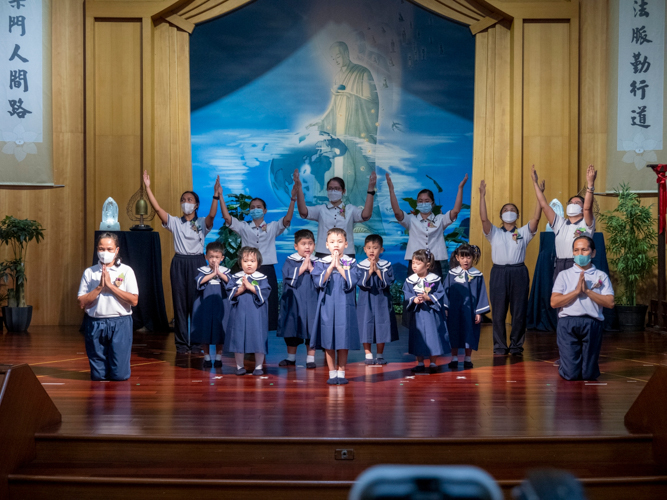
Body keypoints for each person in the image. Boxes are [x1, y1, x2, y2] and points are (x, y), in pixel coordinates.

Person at [143, 170, 221, 353]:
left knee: (196, 303)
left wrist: (216, 196)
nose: (186, 202)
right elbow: (157, 209)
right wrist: (148, 188)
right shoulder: (175, 222)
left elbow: (212, 216)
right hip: (179, 262)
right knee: (179, 304)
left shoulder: (202, 223)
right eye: (183, 200)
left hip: (197, 263)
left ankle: (195, 343)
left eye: (190, 200)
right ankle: (181, 344)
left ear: (196, 205)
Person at [308, 41, 379, 209]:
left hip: (355, 131)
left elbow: (371, 102)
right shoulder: (338, 76)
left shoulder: (362, 73)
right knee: (338, 165)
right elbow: (334, 107)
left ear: (346, 54)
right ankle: (339, 207)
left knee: (358, 169)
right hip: (340, 131)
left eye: (338, 56)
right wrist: (322, 121)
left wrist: (348, 96)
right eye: (333, 58)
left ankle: (360, 210)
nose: (337, 61)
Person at [479, 176, 543, 355]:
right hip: (499, 272)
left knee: (519, 311)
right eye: (506, 210)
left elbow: (536, 218)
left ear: (517, 215)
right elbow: (483, 219)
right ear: (500, 216)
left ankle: (516, 345)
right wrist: (482, 196)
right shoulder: (494, 233)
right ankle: (499, 345)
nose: (509, 212)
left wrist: (540, 195)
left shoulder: (523, 232)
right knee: (498, 312)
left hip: (519, 272)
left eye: (512, 210)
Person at [219, 186, 296, 331]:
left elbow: (287, 220)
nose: (255, 209)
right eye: (252, 207)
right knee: (248, 304)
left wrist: (292, 199)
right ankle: (249, 338)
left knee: (268, 306)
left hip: (267, 270)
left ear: (265, 210)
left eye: (259, 207)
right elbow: (227, 218)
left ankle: (262, 344)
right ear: (249, 211)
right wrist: (220, 196)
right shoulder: (244, 227)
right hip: (248, 272)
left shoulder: (273, 227)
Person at [550, 236, 614, 380]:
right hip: (568, 323)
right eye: (576, 250)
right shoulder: (564, 275)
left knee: (588, 375)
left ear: (593, 253)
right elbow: (554, 302)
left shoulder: (600, 276)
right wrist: (576, 292)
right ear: (572, 253)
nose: (580, 254)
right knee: (571, 374)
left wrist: (588, 292)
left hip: (591, 323)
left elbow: (610, 303)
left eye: (584, 250)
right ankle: (566, 365)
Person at [77, 233, 139, 381]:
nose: (105, 252)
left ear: (117, 250)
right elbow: (81, 302)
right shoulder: (89, 272)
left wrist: (111, 286)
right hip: (95, 323)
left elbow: (134, 300)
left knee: (119, 375)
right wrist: (99, 287)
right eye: (101, 248)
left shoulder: (126, 271)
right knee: (98, 375)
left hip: (120, 322)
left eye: (109, 249)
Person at [386, 172, 468, 277]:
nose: (423, 203)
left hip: (434, 264)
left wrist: (460, 188)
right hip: (415, 264)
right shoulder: (411, 220)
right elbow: (397, 212)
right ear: (417, 204)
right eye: (420, 201)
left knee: (434, 292)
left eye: (426, 201)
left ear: (432, 203)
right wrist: (391, 190)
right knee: (414, 291)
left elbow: (455, 211)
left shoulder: (440, 219)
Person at [310, 228, 360, 385]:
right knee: (328, 339)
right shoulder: (321, 262)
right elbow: (318, 282)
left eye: (339, 241)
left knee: (343, 340)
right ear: (326, 245)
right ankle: (332, 373)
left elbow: (352, 282)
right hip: (327, 305)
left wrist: (339, 267)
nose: (336, 245)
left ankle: (341, 372)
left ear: (346, 243)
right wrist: (331, 266)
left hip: (345, 305)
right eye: (332, 242)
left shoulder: (351, 262)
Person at [531, 164, 597, 280]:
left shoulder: (586, 223)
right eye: (571, 203)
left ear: (582, 207)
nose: (573, 204)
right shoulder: (560, 223)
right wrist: (535, 183)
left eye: (577, 203)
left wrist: (590, 185)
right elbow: (544, 205)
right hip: (560, 265)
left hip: (579, 264)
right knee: (561, 297)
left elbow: (588, 208)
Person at [293, 170, 377, 258]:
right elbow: (303, 212)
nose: (333, 191)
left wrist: (370, 190)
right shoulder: (321, 209)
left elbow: (366, 215)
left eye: (337, 189)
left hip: (346, 254)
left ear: (343, 191)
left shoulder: (350, 209)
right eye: (330, 188)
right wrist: (299, 188)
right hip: (323, 253)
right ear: (327, 190)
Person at [225, 247, 272, 376]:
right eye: (246, 261)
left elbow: (265, 293)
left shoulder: (262, 278)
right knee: (238, 338)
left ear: (258, 263)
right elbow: (230, 293)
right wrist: (240, 289)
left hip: (256, 314)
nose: (249, 263)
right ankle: (239, 367)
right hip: (238, 313)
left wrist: (251, 287)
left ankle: (258, 366)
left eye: (252, 260)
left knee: (258, 338)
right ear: (241, 262)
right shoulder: (235, 277)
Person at [442, 244, 490, 370]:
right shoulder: (452, 274)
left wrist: (479, 312)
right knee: (454, 332)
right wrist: (446, 308)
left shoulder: (477, 275)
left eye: (468, 257)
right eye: (462, 257)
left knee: (470, 333)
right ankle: (454, 358)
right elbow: (445, 292)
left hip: (471, 311)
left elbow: (482, 294)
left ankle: (468, 359)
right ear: (457, 258)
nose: (465, 260)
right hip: (454, 310)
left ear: (472, 257)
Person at [277, 229, 318, 369]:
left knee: (311, 329)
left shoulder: (317, 261)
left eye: (310, 243)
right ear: (296, 246)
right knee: (291, 328)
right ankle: (291, 358)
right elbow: (288, 278)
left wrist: (311, 268)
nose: (307, 247)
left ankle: (310, 358)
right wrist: (302, 268)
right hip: (293, 301)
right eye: (303, 243)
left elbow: (321, 280)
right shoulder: (291, 260)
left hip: (312, 300)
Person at [402, 249, 449, 374]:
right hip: (418, 314)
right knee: (419, 337)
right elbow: (407, 294)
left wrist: (429, 298)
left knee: (433, 336)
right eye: (413, 263)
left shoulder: (434, 279)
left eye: (418, 263)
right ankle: (420, 362)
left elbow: (440, 293)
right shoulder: (410, 280)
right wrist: (414, 299)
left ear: (427, 265)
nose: (414, 266)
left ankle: (433, 361)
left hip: (431, 314)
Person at [357, 234, 399, 365]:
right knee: (366, 325)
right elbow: (359, 282)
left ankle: (380, 354)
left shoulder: (386, 265)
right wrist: (370, 271)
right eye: (369, 247)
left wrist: (378, 271)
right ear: (364, 249)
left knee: (382, 325)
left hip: (382, 299)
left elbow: (389, 282)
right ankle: (368, 354)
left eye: (375, 248)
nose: (371, 251)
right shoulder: (361, 265)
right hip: (366, 300)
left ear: (381, 250)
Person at [191, 242, 230, 369]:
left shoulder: (226, 272)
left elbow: (231, 283)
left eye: (217, 257)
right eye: (211, 256)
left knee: (220, 331)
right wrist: (213, 273)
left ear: (222, 258)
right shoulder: (203, 271)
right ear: (206, 257)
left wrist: (219, 273)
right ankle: (207, 357)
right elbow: (199, 282)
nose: (214, 260)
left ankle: (218, 358)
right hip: (205, 306)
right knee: (205, 330)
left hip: (220, 306)